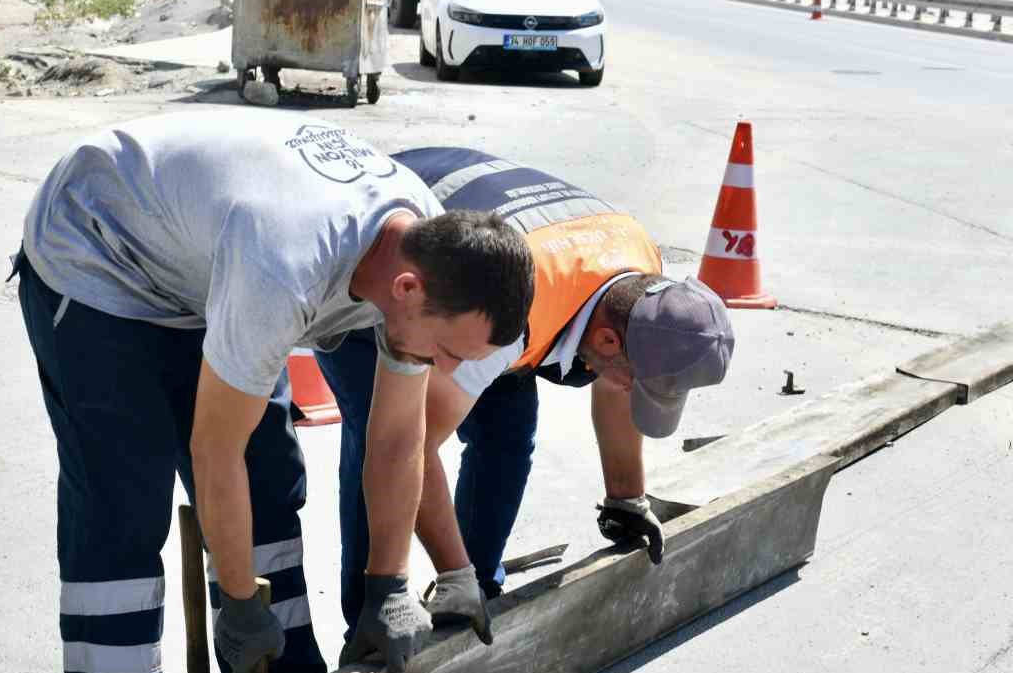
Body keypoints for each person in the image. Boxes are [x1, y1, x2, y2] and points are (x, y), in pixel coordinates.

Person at [15, 117, 534, 673]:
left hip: (198, 263)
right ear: (408, 288)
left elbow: (394, 440)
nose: (447, 371)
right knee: (121, 509)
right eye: (447, 351)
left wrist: (389, 586)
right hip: (100, 251)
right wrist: (235, 601)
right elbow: (212, 451)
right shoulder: (284, 260)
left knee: (270, 481)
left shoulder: (420, 247)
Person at [314, 147, 735, 637]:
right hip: (381, 265)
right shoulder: (522, 308)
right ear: (604, 340)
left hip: (486, 261)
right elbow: (411, 445)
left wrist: (627, 498)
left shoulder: (643, 281)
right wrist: (452, 573)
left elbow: (619, 381)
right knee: (383, 437)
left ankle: (475, 591)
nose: (625, 387)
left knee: (508, 431)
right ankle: (369, 624)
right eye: (630, 379)